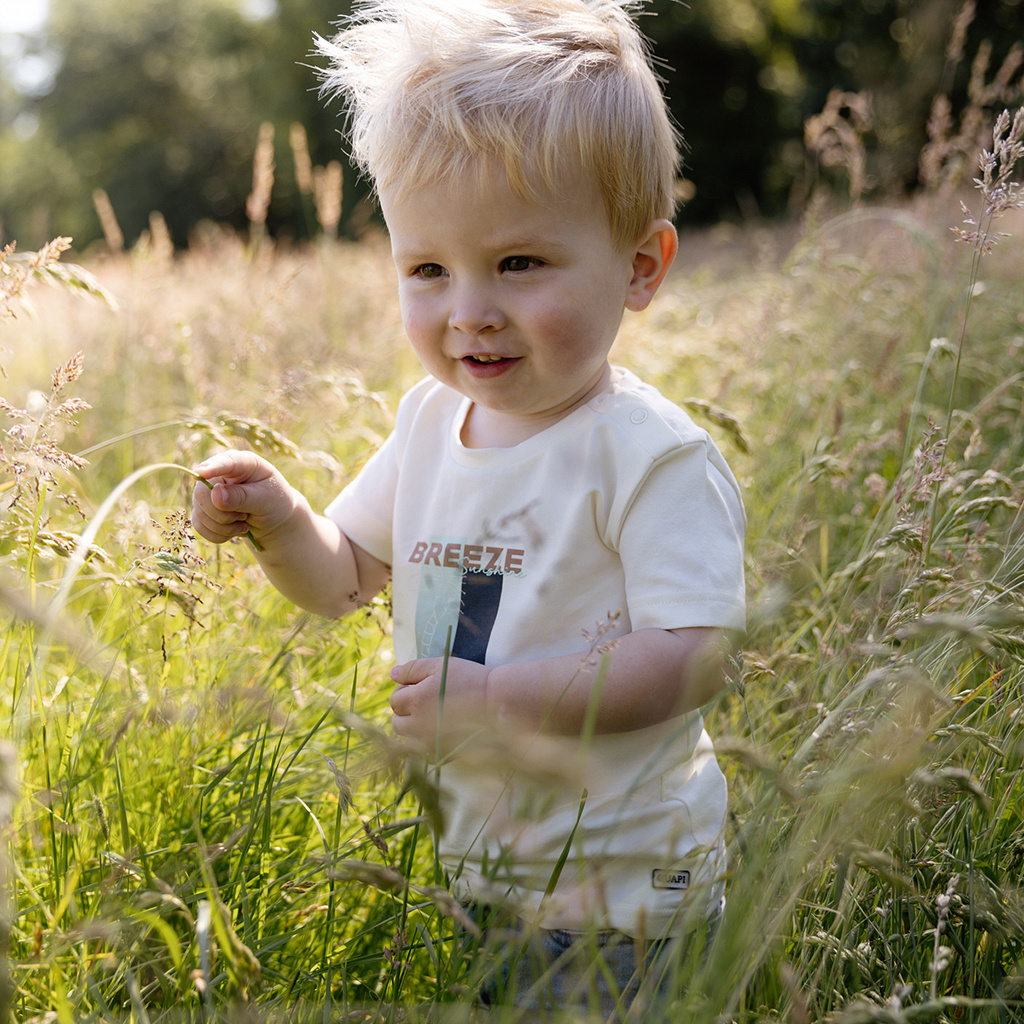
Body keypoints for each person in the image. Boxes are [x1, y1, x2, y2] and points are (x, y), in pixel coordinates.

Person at [191, 0, 746, 1013]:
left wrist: (495, 702)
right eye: (428, 269)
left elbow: (689, 653)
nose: (468, 310)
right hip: (483, 872)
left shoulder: (647, 455)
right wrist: (277, 521)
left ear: (639, 267)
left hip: (619, 887)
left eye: (519, 263)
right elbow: (343, 576)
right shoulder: (426, 423)